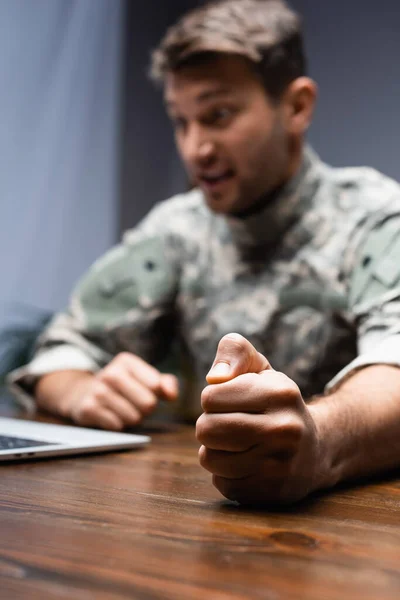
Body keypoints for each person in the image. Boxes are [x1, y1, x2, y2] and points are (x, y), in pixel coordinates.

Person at [8, 0, 400, 506]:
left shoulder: (376, 218)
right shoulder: (176, 231)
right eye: (181, 121)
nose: (196, 149)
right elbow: (58, 353)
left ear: (296, 106)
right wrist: (84, 391)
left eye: (218, 115)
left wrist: (316, 440)